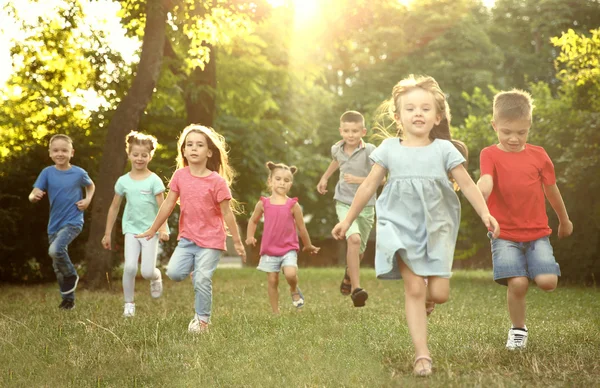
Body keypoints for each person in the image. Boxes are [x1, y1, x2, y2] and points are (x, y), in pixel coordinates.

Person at [332, 75, 499, 377]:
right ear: (398, 117)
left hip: (437, 228)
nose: (418, 113)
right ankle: (422, 354)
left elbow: (467, 184)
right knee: (413, 287)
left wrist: (485, 213)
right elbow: (369, 186)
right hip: (398, 224)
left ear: (437, 116)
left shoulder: (445, 150)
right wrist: (347, 219)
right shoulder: (388, 149)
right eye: (410, 109)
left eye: (425, 108)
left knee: (439, 291)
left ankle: (429, 300)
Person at [477, 89, 573, 351]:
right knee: (518, 283)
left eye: (521, 132)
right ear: (495, 125)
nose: (513, 138)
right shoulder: (490, 154)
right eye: (506, 131)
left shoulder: (539, 155)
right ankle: (518, 330)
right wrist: (479, 192)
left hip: (537, 233)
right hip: (503, 234)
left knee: (547, 282)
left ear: (529, 125)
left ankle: (530, 264)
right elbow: (487, 179)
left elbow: (551, 190)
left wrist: (564, 220)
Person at [136, 124, 246, 333]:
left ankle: (202, 320)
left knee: (203, 279)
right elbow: (168, 204)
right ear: (184, 151)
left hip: (212, 240)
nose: (194, 148)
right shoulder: (180, 176)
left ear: (209, 152)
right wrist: (153, 229)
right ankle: (197, 273)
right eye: (190, 145)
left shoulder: (217, 181)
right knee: (175, 273)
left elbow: (227, 213)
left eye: (200, 145)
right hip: (188, 239)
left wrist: (238, 241)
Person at [102, 131, 170, 318]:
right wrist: (107, 233)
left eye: (144, 155)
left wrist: (163, 228)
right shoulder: (123, 181)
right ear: (129, 154)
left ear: (150, 156)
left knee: (147, 271)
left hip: (151, 230)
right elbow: (114, 207)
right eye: (135, 154)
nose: (139, 158)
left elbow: (162, 206)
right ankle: (129, 304)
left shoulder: (154, 180)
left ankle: (156, 277)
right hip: (131, 229)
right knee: (130, 268)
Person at [29, 134, 95, 310]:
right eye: (56, 150)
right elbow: (33, 192)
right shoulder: (47, 173)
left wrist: (88, 200)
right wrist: (34, 197)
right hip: (54, 225)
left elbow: (90, 185)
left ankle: (72, 275)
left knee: (55, 250)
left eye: (64, 150)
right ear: (50, 153)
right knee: (57, 265)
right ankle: (68, 300)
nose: (60, 153)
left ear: (71, 152)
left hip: (73, 221)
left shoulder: (78, 173)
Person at [317, 111, 376, 307]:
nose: (351, 135)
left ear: (363, 131)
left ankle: (349, 275)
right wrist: (325, 177)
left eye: (355, 131)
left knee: (359, 250)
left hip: (366, 206)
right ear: (341, 131)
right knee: (354, 239)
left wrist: (359, 180)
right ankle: (356, 289)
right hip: (343, 201)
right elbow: (337, 161)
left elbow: (382, 179)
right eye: (347, 131)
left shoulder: (371, 151)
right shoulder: (337, 149)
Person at [246, 162, 320, 314]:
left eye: (286, 181)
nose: (282, 183)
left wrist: (308, 245)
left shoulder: (293, 205)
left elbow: (302, 228)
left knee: (291, 274)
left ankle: (293, 288)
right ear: (270, 181)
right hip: (269, 250)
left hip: (288, 249)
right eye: (278, 179)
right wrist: (249, 236)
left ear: (290, 184)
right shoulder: (263, 203)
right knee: (272, 280)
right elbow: (253, 221)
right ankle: (275, 312)